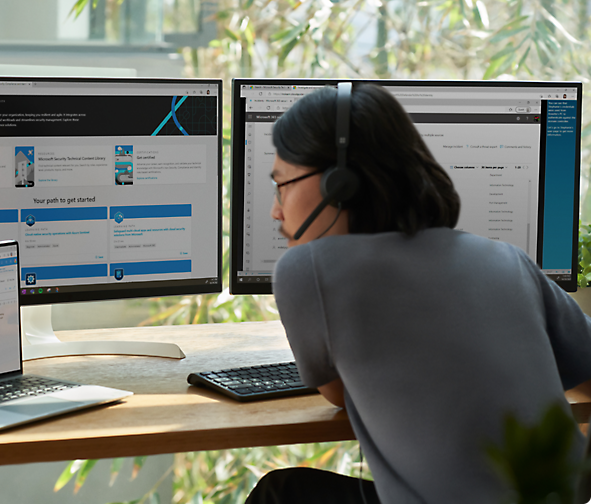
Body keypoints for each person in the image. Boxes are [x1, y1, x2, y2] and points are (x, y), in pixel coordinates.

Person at [245, 83, 591, 504]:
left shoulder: (307, 269)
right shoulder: (506, 258)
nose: (275, 209)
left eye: (283, 183)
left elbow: (337, 394)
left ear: (340, 184)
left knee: (282, 495)